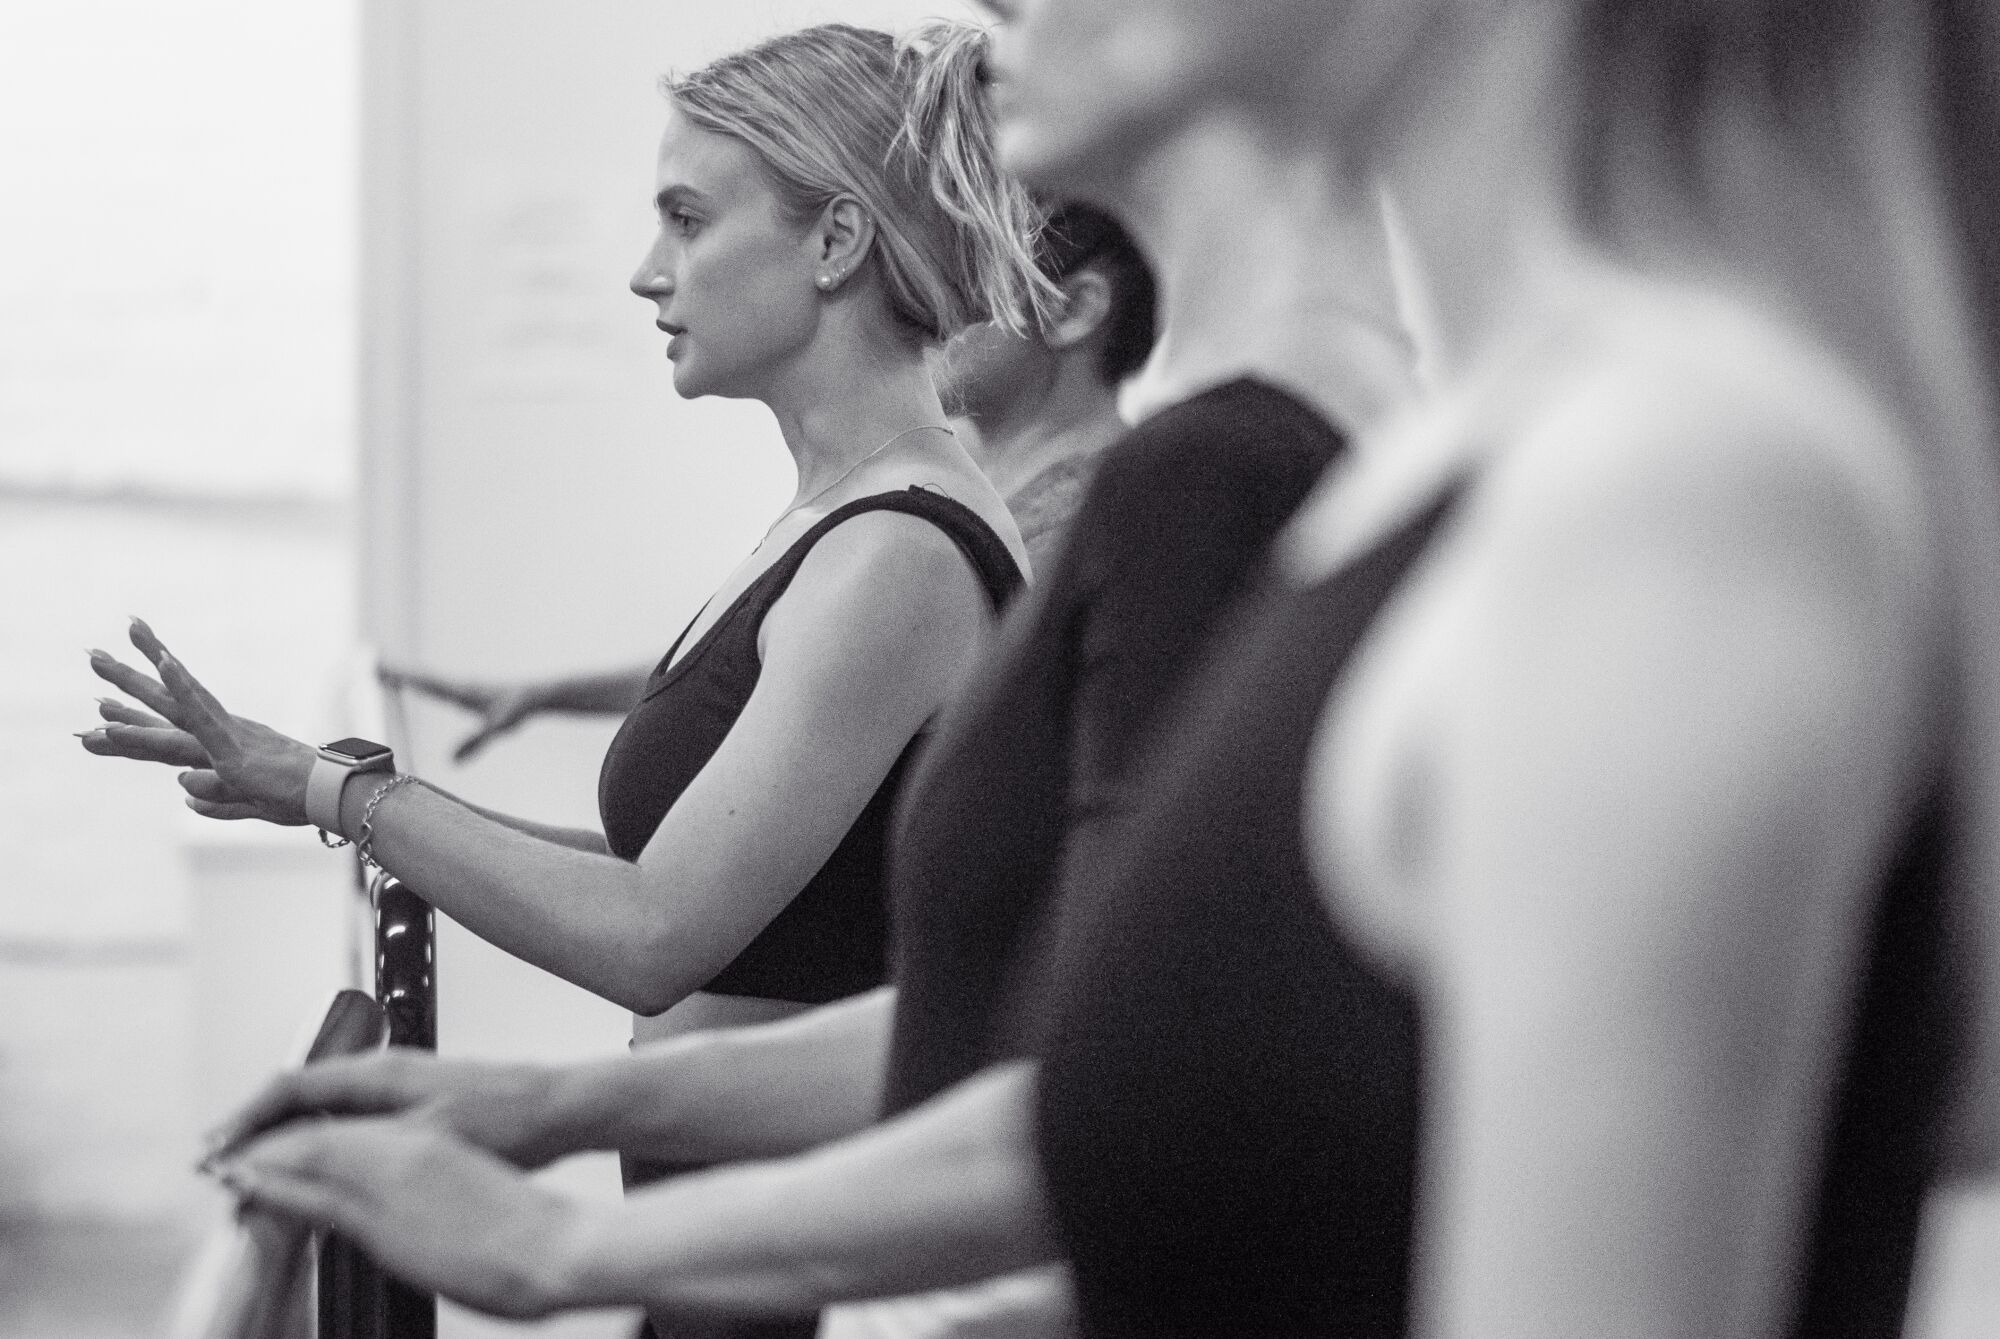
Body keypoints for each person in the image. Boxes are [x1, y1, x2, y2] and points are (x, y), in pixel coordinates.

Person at [193, 0, 1426, 1332]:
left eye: (686, 217)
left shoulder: (1191, 478)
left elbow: (1081, 1073)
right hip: (785, 1248)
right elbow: (994, 1026)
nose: (991, 41)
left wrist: (554, 1230)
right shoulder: (1177, 467)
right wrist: (549, 1110)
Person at [80, 20, 1053, 1339]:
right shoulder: (838, 518)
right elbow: (696, 873)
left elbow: (657, 934)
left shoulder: (897, 552)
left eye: (687, 219)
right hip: (713, 1216)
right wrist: (333, 789)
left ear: (833, 243)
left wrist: (345, 794)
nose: (647, 272)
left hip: (784, 1247)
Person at [378, 200, 1155, 767]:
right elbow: (790, 664)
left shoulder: (1093, 514)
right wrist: (550, 693)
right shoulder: (956, 476)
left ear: (1078, 308)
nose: (937, 300)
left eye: (977, 274)